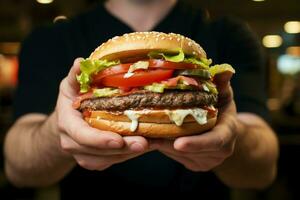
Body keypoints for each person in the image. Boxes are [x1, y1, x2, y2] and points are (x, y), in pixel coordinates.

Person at [4, 0, 279, 199]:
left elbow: (264, 170)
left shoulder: (231, 34)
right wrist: (57, 133)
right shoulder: (50, 39)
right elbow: (17, 168)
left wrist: (232, 137)